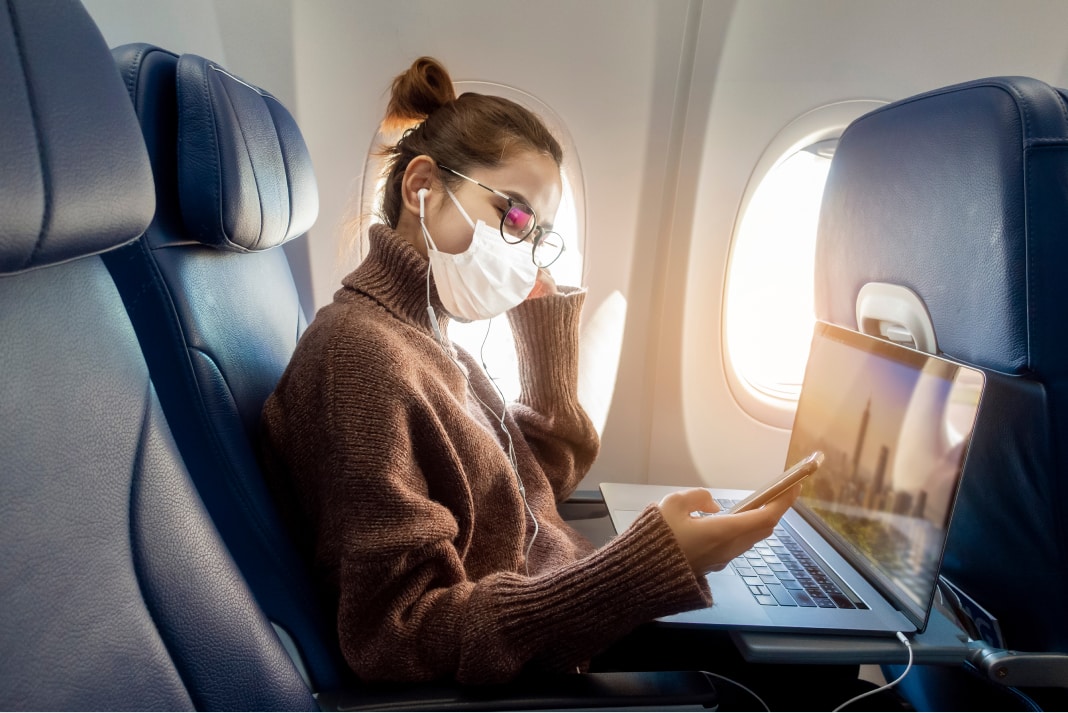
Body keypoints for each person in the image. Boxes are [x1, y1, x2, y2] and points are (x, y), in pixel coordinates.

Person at [258, 56, 801, 688]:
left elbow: (528, 483)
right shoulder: (359, 357)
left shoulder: (432, 340)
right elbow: (397, 634)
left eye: (536, 231)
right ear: (421, 187)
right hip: (528, 674)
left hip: (559, 622)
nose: (522, 247)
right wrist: (643, 568)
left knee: (791, 658)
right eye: (512, 215)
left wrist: (543, 328)